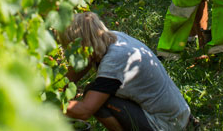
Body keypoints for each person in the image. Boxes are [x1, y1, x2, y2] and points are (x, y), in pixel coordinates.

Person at [61, 12, 191, 131]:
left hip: (166, 124)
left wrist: (49, 106)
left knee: (99, 100)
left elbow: (85, 111)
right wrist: (61, 86)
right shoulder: (110, 38)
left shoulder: (114, 61)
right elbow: (83, 62)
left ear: (83, 44)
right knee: (94, 92)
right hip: (177, 115)